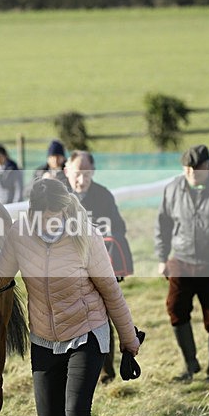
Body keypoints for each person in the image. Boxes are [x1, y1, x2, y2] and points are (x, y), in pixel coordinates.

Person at [0, 178, 141, 416]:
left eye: (56, 213)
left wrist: (129, 340)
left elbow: (111, 292)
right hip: (45, 338)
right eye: (45, 214)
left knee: (75, 412)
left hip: (87, 331)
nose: (51, 220)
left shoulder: (85, 236)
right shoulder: (19, 233)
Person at [154, 145, 209, 382]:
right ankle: (190, 364)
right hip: (181, 260)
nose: (192, 172)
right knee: (175, 308)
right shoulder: (173, 188)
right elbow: (162, 224)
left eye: (197, 167)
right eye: (188, 167)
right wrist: (162, 257)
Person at [64, 150, 134, 385]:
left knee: (102, 317)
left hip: (99, 267)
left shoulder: (103, 196)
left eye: (86, 174)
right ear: (66, 171)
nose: (81, 180)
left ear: (92, 172)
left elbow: (118, 230)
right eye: (76, 174)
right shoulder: (59, 196)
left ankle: (106, 371)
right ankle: (70, 369)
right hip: (67, 269)